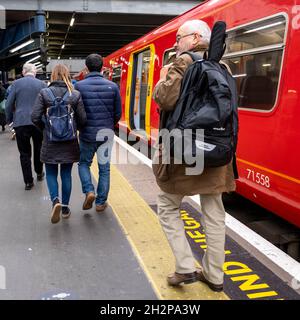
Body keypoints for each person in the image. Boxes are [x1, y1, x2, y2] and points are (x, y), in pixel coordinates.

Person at [152, 20, 236, 291]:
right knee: (214, 212)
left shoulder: (183, 62)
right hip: (215, 151)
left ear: (195, 37)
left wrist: (162, 79)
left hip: (184, 152)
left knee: (167, 206)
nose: (176, 43)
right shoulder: (224, 66)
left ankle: (186, 267)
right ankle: (214, 275)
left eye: (179, 38)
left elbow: (165, 99)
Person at [32, 64, 87, 223]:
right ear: (67, 75)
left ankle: (55, 201)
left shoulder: (44, 93)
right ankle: (65, 208)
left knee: (50, 173)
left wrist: (46, 128)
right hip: (69, 142)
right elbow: (83, 119)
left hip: (50, 141)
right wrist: (74, 129)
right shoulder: (75, 94)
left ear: (53, 76)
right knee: (66, 174)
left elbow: (34, 117)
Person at [75, 54, 121, 213]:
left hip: (87, 134)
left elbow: (77, 112)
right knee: (104, 168)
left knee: (83, 164)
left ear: (86, 68)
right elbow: (118, 113)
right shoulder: (113, 86)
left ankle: (89, 191)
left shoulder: (79, 86)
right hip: (106, 134)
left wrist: (81, 127)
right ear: (102, 67)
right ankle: (101, 203)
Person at [5, 64, 47, 190]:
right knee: (38, 148)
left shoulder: (16, 84)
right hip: (38, 121)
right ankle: (39, 173)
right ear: (35, 72)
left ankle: (28, 182)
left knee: (24, 153)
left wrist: (10, 120)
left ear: (23, 72)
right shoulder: (42, 84)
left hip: (21, 122)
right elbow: (46, 104)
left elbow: (8, 104)